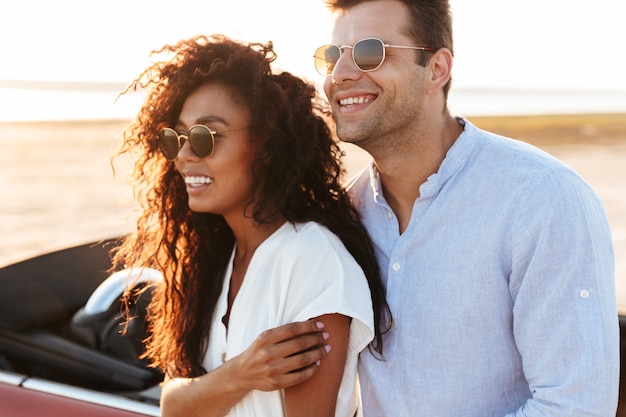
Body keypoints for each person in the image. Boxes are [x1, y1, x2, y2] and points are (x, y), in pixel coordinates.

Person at [308, 0, 619, 415]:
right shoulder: (345, 215)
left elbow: (574, 406)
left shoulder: (541, 198)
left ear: (436, 69)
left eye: (369, 53)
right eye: (332, 57)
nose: (340, 75)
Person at [110, 34, 390, 417]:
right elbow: (172, 403)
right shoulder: (215, 259)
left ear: (267, 146)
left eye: (206, 136)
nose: (185, 156)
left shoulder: (312, 261)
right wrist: (242, 373)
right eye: (176, 138)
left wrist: (220, 386)